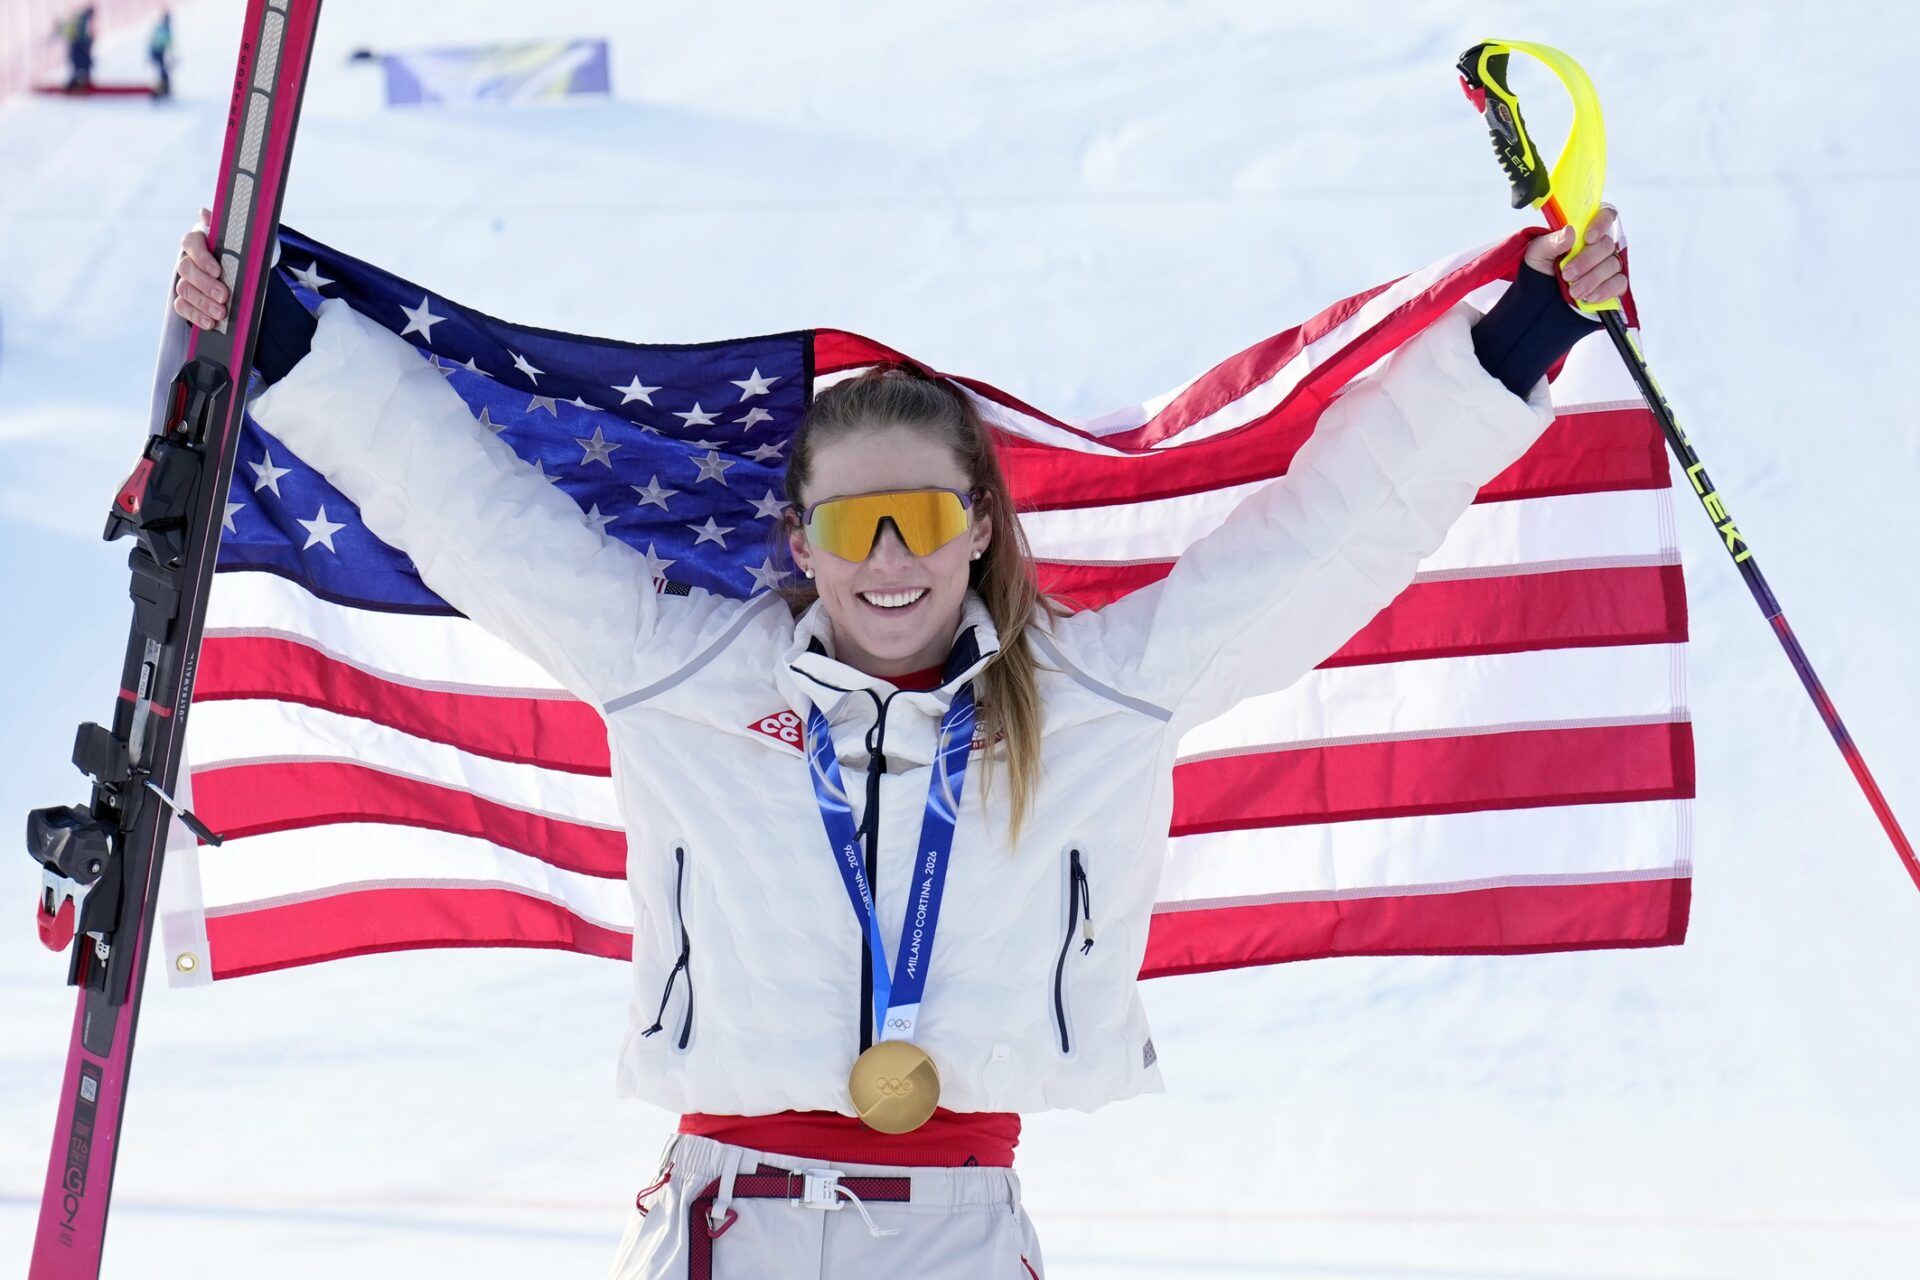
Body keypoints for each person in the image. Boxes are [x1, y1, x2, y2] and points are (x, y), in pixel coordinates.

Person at [171, 205, 1626, 1278]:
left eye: (920, 519)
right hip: (720, 1231)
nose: (886, 560)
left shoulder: (1103, 696)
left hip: (962, 1242)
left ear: (979, 527)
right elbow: (468, 508)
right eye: (849, 525)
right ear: (797, 541)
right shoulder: (672, 669)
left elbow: (1328, 541)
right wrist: (285, 349)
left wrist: (1518, 343)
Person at [57, 6, 95, 92]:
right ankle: (74, 86)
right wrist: (87, 43)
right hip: (78, 46)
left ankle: (76, 85)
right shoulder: (83, 20)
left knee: (79, 67)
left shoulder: (78, 18)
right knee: (82, 66)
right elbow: (82, 35)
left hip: (75, 45)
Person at [149, 12, 173, 99]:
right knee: (163, 72)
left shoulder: (161, 28)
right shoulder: (164, 29)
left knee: (163, 72)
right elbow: (167, 42)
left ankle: (163, 89)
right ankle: (161, 90)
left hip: (158, 52)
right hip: (158, 52)